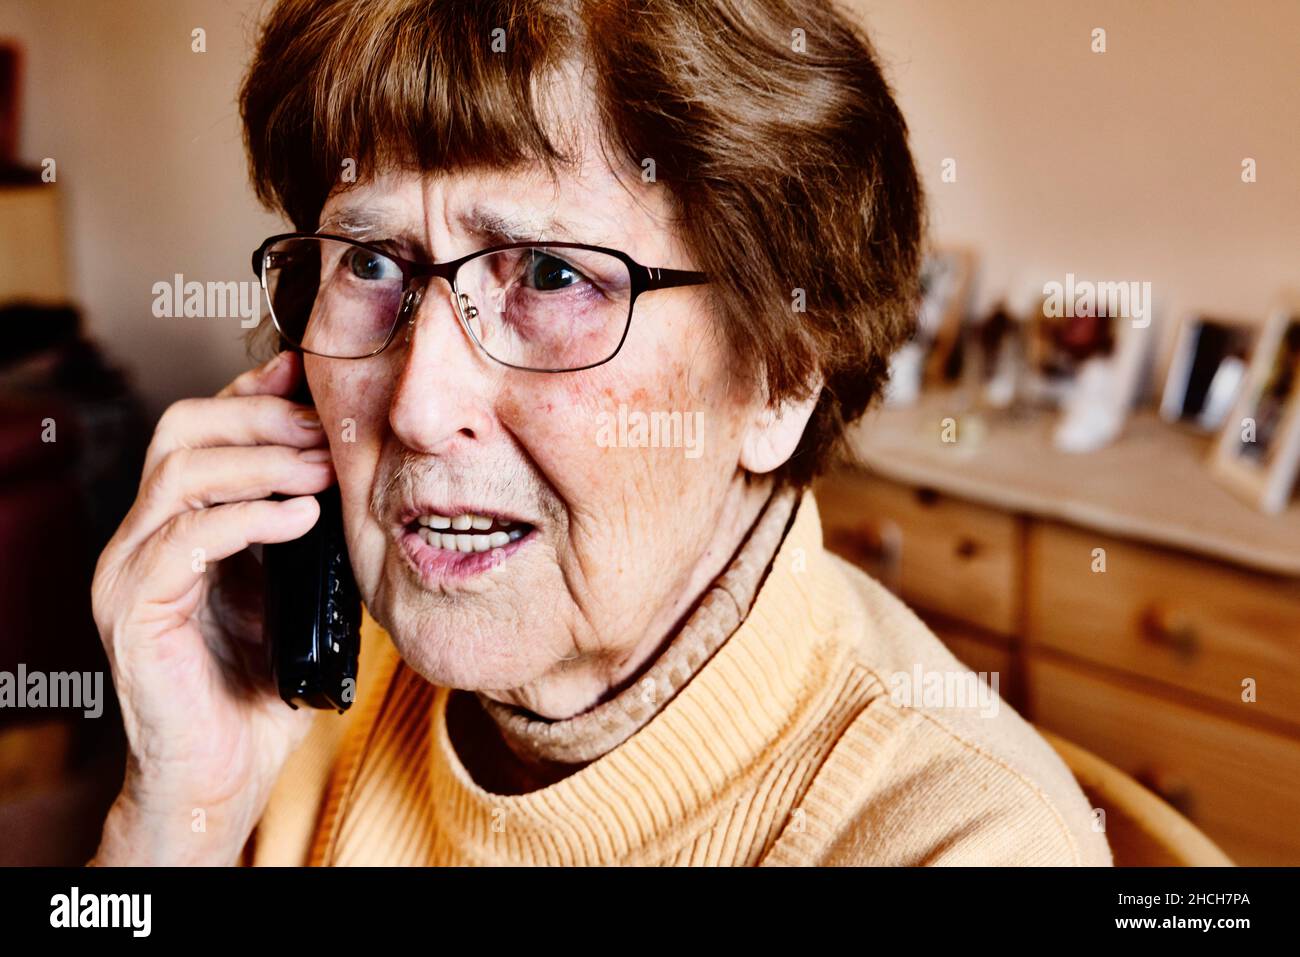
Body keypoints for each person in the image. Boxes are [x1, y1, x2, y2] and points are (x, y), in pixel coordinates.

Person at [90, 0, 1111, 866]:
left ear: (780, 373)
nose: (414, 404)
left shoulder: (963, 844)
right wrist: (170, 821)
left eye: (548, 273)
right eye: (369, 262)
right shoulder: (299, 683)